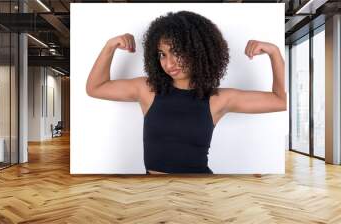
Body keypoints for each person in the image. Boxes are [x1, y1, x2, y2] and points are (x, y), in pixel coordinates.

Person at [86, 11, 286, 175]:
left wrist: (275, 52)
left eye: (177, 52)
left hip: (197, 192)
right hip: (151, 192)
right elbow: (96, 87)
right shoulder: (148, 89)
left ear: (198, 52)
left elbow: (280, 101)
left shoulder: (218, 99)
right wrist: (110, 46)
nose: (169, 63)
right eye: (162, 54)